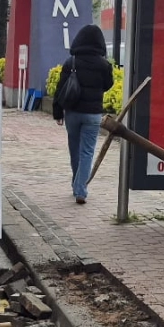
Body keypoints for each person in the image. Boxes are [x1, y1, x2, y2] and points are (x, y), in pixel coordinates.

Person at [52, 24, 115, 204]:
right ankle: (81, 189)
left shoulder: (70, 62)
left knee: (74, 149)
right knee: (87, 151)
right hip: (93, 114)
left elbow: (60, 89)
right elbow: (108, 85)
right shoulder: (104, 65)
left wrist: (58, 112)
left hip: (73, 112)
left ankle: (76, 183)